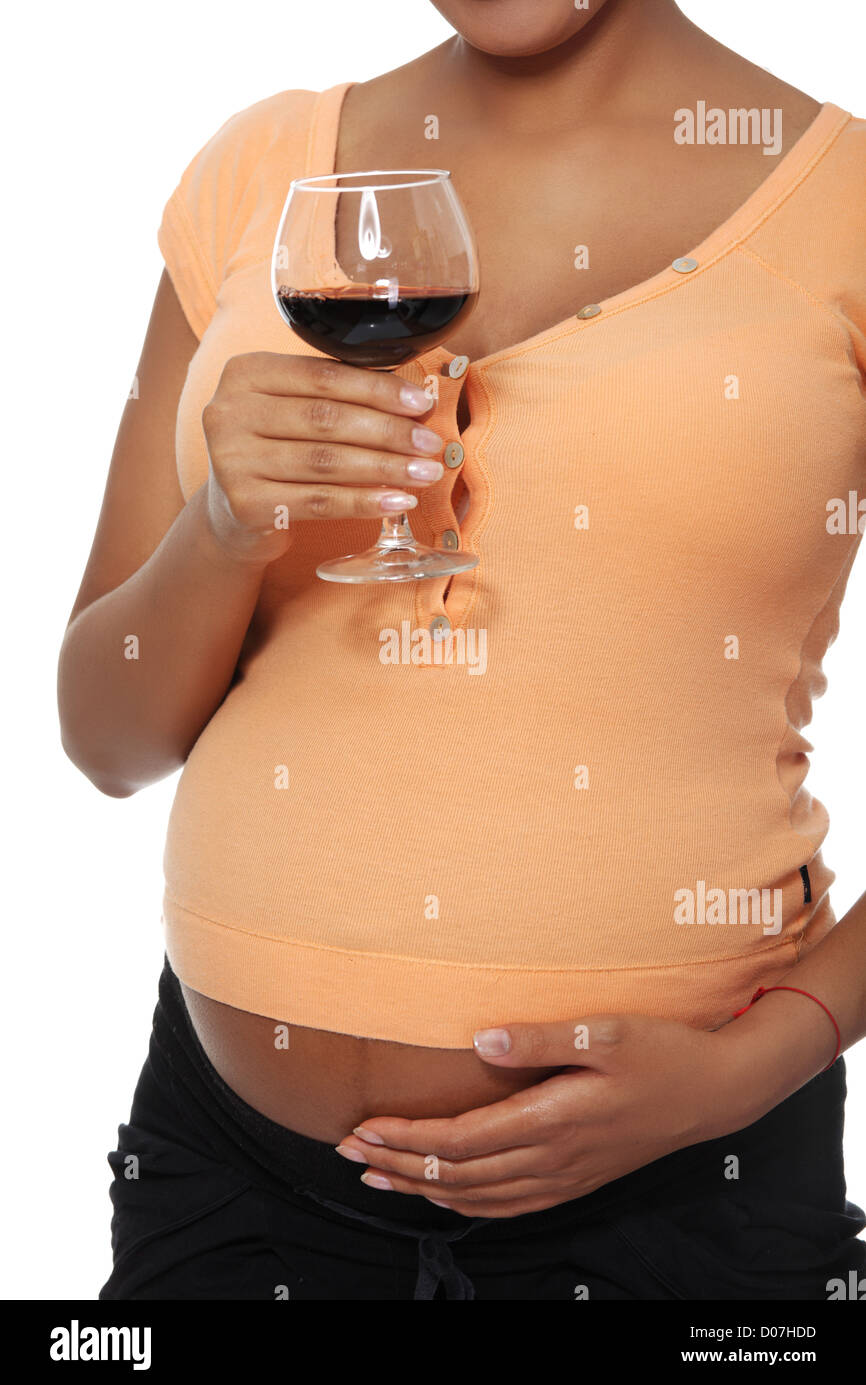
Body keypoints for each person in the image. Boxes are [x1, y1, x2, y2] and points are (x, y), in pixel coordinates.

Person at [57, 0, 866, 1300]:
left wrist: (744, 1073)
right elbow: (106, 740)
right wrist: (222, 530)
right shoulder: (257, 176)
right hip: (228, 1181)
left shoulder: (846, 203)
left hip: (686, 1204)